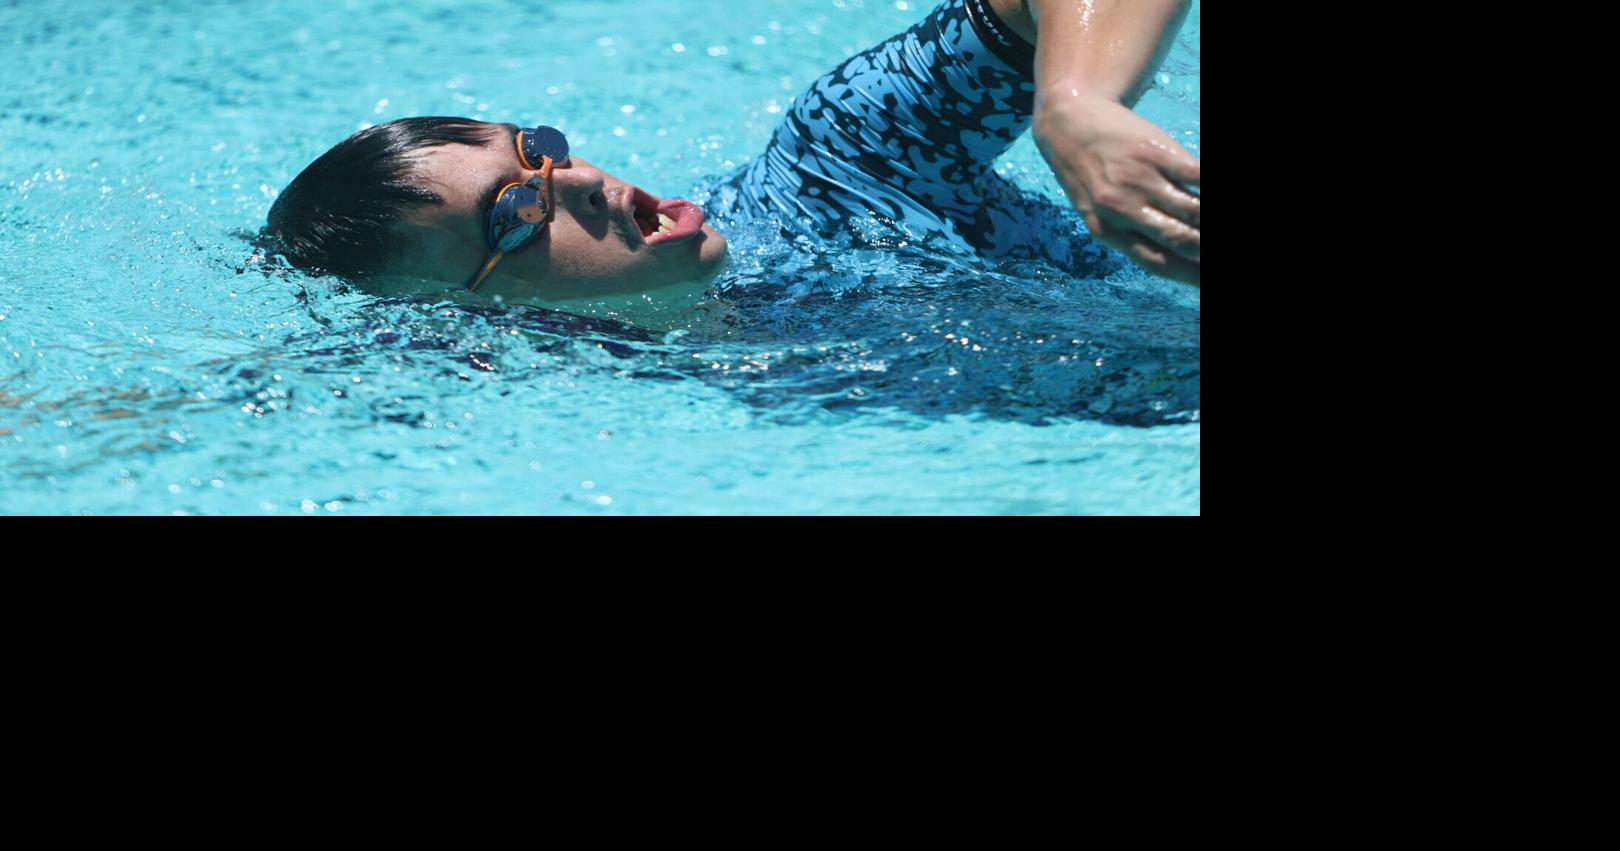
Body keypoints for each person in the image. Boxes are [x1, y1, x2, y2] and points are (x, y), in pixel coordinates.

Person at [261, 0, 1199, 314]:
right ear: (466, 314)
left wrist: (1072, 100)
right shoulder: (590, 375)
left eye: (541, 150)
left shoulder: (841, 169)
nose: (584, 181)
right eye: (516, 211)